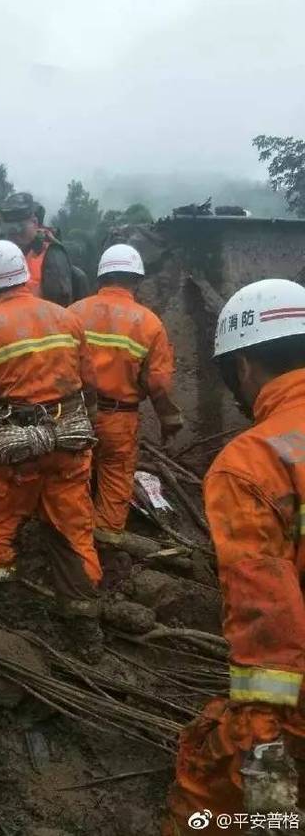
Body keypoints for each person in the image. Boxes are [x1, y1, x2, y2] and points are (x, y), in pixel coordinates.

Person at [163, 278, 305, 834]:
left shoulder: (250, 464)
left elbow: (267, 621)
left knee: (206, 784)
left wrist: (261, 737)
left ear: (243, 368)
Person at [0, 239, 102, 629]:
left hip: (19, 448)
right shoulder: (66, 318)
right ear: (23, 274)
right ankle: (85, 620)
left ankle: (6, 601)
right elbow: (89, 383)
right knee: (74, 525)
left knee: (2, 513)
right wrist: (89, 425)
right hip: (70, 441)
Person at [70, 244, 182, 542]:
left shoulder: (73, 313)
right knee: (115, 476)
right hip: (119, 419)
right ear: (136, 281)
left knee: (70, 476)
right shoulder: (149, 323)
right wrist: (170, 421)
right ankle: (105, 542)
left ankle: (69, 536)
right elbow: (158, 384)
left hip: (73, 415)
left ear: (100, 278)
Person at [0, 192, 73, 307]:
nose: (15, 236)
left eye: (20, 229)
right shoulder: (2, 254)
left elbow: (61, 307)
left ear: (34, 222)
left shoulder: (52, 254)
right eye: (10, 231)